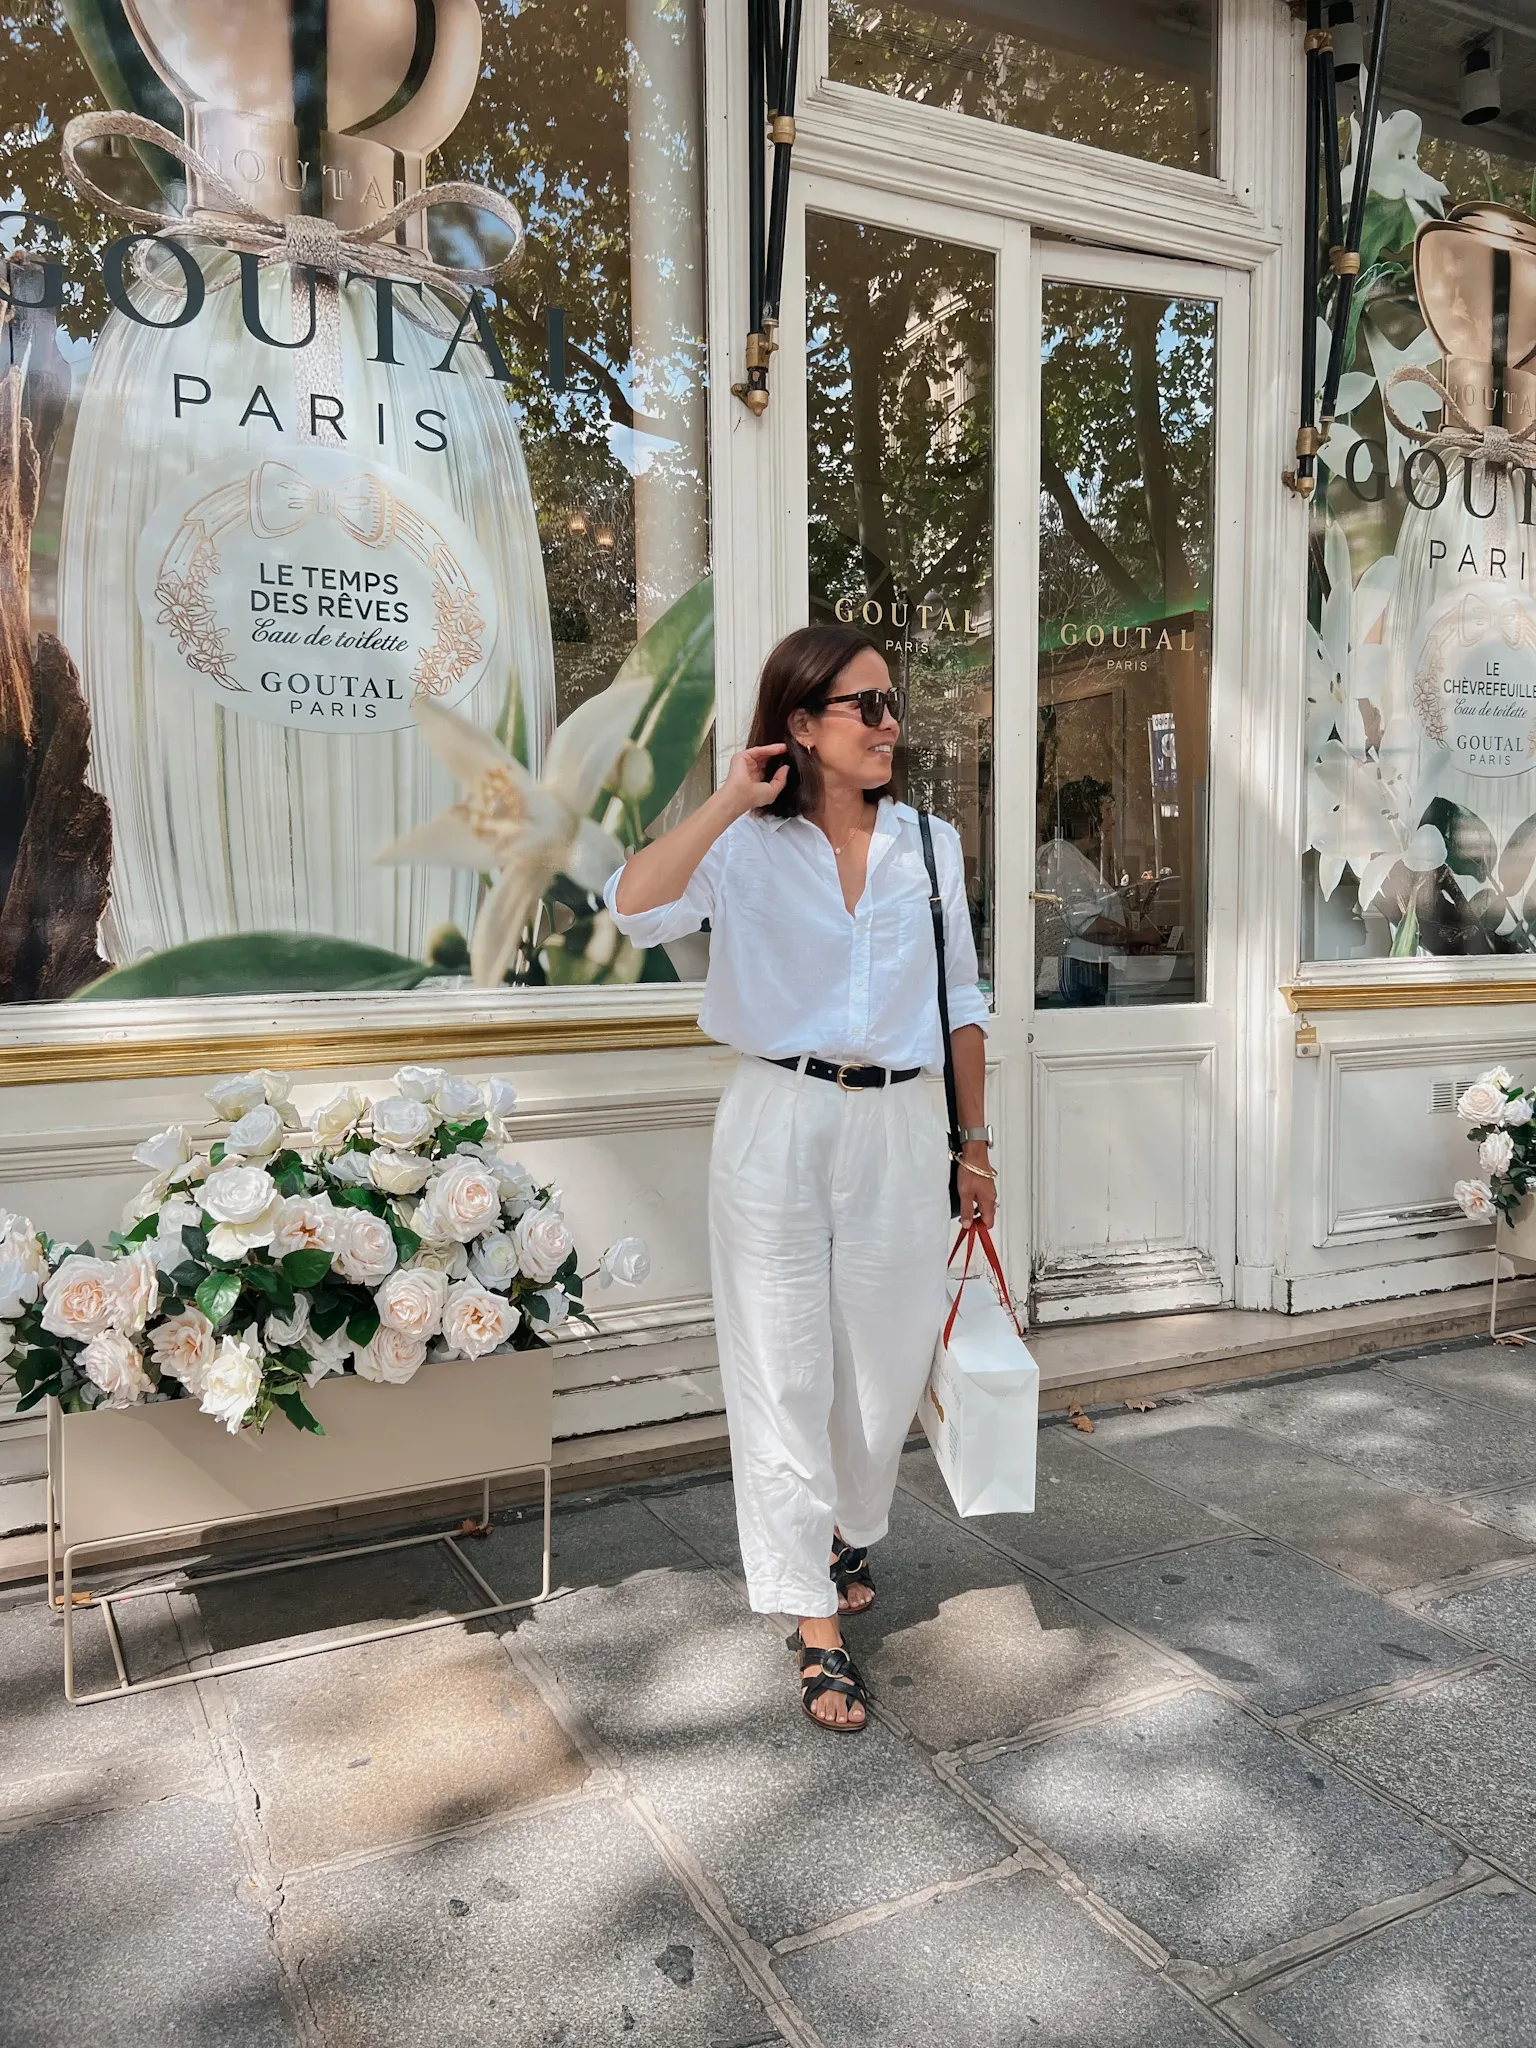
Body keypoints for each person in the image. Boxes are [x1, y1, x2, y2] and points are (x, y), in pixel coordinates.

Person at [604, 623, 994, 1733]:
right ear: (803, 724)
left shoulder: (931, 844)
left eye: (891, 702)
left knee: (882, 1366)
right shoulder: (743, 846)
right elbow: (632, 906)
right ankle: (811, 1617)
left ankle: (843, 1527)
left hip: (901, 1124)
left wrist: (975, 1145)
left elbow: (962, 1001)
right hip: (777, 1116)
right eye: (865, 705)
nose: (889, 723)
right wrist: (730, 798)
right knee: (780, 1366)